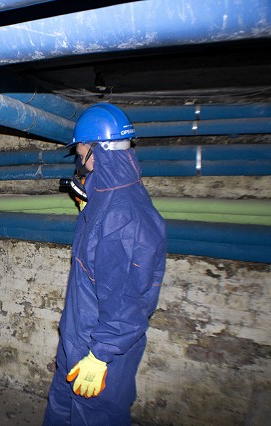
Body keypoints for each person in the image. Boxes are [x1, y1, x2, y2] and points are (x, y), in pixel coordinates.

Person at [44, 103, 167, 425]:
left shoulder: (122, 219)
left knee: (95, 416)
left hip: (99, 350)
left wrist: (99, 357)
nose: (77, 157)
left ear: (95, 150)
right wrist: (88, 202)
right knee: (61, 406)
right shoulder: (107, 199)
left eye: (80, 148)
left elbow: (127, 299)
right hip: (80, 337)